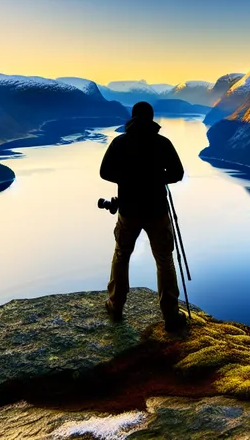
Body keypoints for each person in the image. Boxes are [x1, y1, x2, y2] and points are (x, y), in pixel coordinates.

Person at [99, 101, 187, 331]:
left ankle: (116, 305)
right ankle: (170, 317)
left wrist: (127, 178)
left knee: (121, 254)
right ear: (151, 118)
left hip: (129, 210)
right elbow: (177, 173)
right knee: (164, 260)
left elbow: (104, 171)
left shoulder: (120, 142)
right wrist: (157, 178)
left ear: (133, 117)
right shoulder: (162, 143)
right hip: (157, 210)